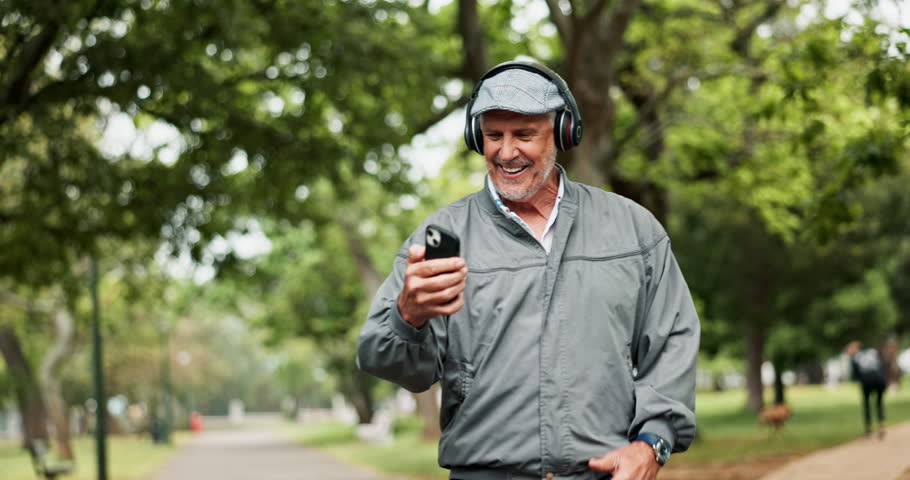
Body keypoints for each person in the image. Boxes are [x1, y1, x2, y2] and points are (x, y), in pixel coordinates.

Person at [357, 60, 700, 480]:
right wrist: (407, 317)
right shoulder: (443, 236)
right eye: (493, 135)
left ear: (561, 133)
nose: (506, 152)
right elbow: (385, 359)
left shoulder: (633, 230)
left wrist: (653, 444)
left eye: (524, 134)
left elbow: (673, 342)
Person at [845, 341, 887, 438]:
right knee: (879, 403)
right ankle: (881, 426)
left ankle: (868, 429)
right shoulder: (872, 352)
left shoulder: (856, 357)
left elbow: (855, 375)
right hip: (879, 380)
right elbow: (881, 365)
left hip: (867, 381)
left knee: (866, 404)